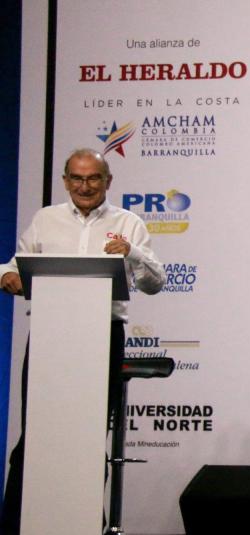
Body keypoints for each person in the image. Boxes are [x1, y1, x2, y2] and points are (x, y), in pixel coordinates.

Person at [0, 148, 166, 534]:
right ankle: (19, 524)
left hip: (102, 336)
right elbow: (14, 264)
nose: (85, 186)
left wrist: (132, 252)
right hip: (49, 338)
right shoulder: (46, 219)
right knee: (36, 436)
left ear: (108, 181)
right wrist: (7, 276)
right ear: (65, 181)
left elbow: (155, 283)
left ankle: (86, 523)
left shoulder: (128, 222)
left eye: (93, 178)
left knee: (89, 438)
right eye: (77, 178)